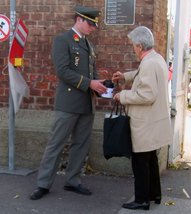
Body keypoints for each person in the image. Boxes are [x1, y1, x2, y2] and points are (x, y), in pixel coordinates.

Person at [30, 5, 107, 200]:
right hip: (68, 102)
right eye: (90, 24)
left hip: (86, 103)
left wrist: (101, 85)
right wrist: (90, 83)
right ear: (79, 20)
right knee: (56, 144)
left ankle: (72, 180)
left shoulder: (88, 45)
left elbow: (92, 72)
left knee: (80, 145)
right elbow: (62, 71)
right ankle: (43, 184)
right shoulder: (62, 40)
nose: (92, 28)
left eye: (94, 25)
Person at [112, 26, 172, 210]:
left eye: (133, 45)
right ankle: (154, 194)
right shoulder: (156, 58)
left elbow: (147, 94)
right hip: (154, 120)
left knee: (140, 162)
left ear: (139, 46)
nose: (132, 48)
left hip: (145, 122)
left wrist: (122, 96)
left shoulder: (148, 63)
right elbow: (143, 76)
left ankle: (141, 200)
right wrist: (125, 77)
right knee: (151, 159)